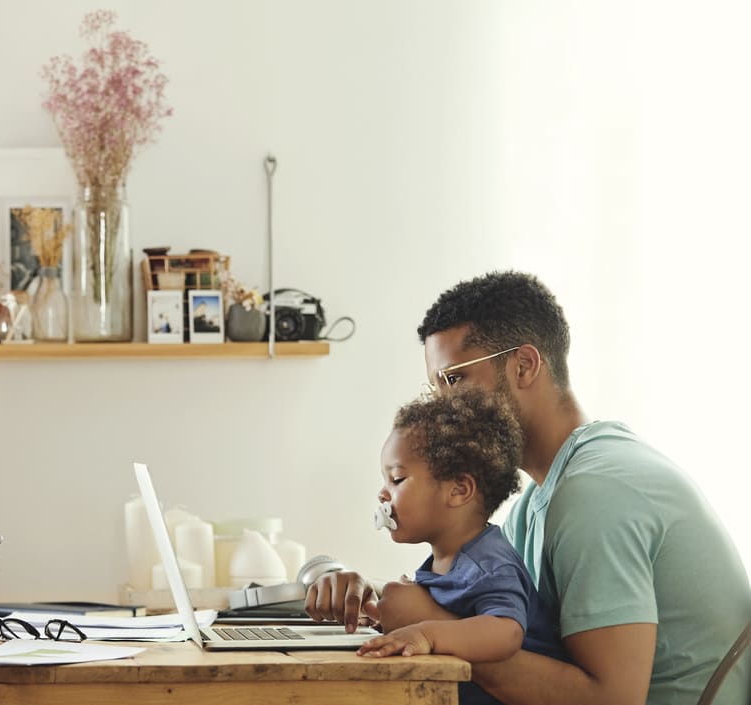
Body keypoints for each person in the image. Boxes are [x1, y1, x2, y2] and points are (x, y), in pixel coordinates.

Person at [306, 270, 751, 705]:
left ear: (523, 365)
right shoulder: (536, 501)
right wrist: (375, 598)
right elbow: (499, 621)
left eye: (454, 379)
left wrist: (428, 624)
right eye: (435, 386)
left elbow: (610, 699)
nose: (443, 404)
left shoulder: (598, 493)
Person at [356, 388, 567, 705]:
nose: (382, 495)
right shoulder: (448, 559)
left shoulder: (489, 563)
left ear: (458, 490)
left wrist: (426, 633)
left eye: (397, 480)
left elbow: (506, 631)